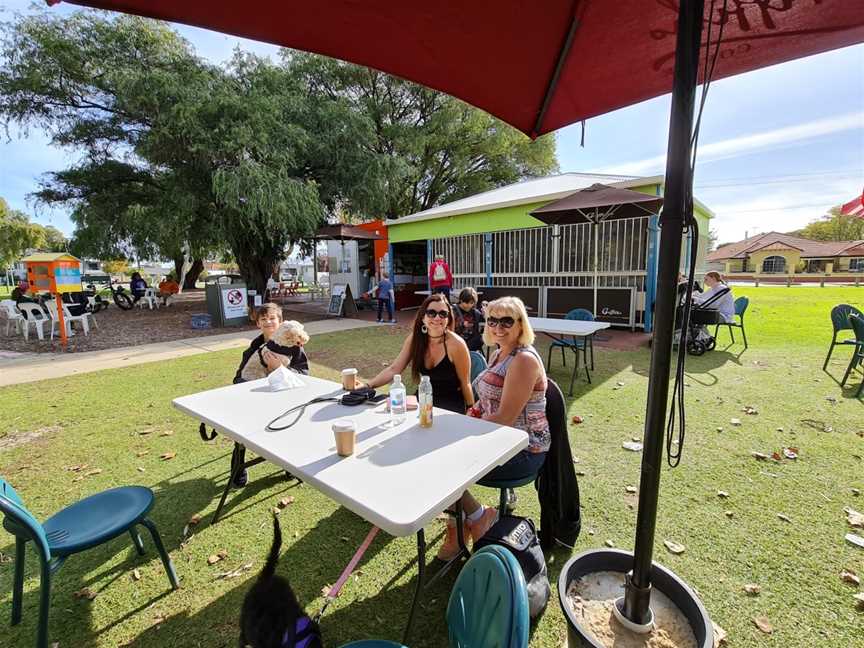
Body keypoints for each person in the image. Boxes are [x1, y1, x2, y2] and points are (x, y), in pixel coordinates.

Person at [462, 296, 550, 553]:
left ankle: (477, 517)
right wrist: (471, 413)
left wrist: (464, 432)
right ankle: (461, 523)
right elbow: (487, 402)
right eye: (492, 320)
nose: (498, 326)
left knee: (445, 466)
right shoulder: (500, 352)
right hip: (499, 440)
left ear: (521, 324)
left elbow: (504, 419)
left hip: (523, 450)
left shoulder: (523, 360)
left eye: (506, 321)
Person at [231, 303, 309, 486]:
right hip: (257, 399)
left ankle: (291, 466)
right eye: (263, 319)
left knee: (289, 430)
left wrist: (279, 369)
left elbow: (304, 374)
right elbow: (239, 377)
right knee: (239, 430)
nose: (268, 322)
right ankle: (238, 467)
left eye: (272, 318)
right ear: (258, 323)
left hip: (284, 399)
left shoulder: (294, 345)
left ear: (281, 321)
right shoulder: (254, 347)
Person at [454, 287, 484, 352]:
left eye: (471, 303)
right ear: (461, 300)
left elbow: (485, 325)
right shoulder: (453, 310)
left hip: (471, 346)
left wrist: (485, 314)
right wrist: (462, 325)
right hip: (456, 342)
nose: (469, 305)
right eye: (466, 302)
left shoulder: (476, 313)